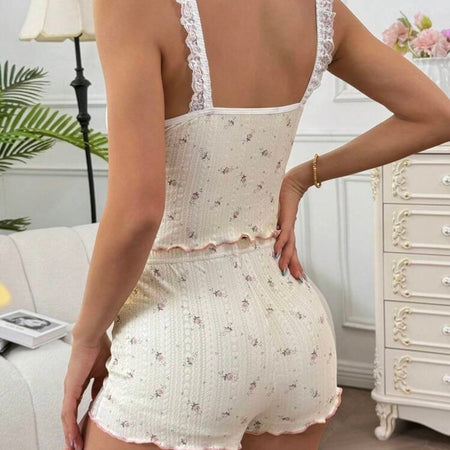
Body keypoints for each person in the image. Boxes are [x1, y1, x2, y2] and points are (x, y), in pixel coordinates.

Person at [61, 0, 450, 449]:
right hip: (296, 331)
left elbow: (138, 213)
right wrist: (302, 177)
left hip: (181, 344)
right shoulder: (320, 9)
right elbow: (436, 115)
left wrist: (86, 338)